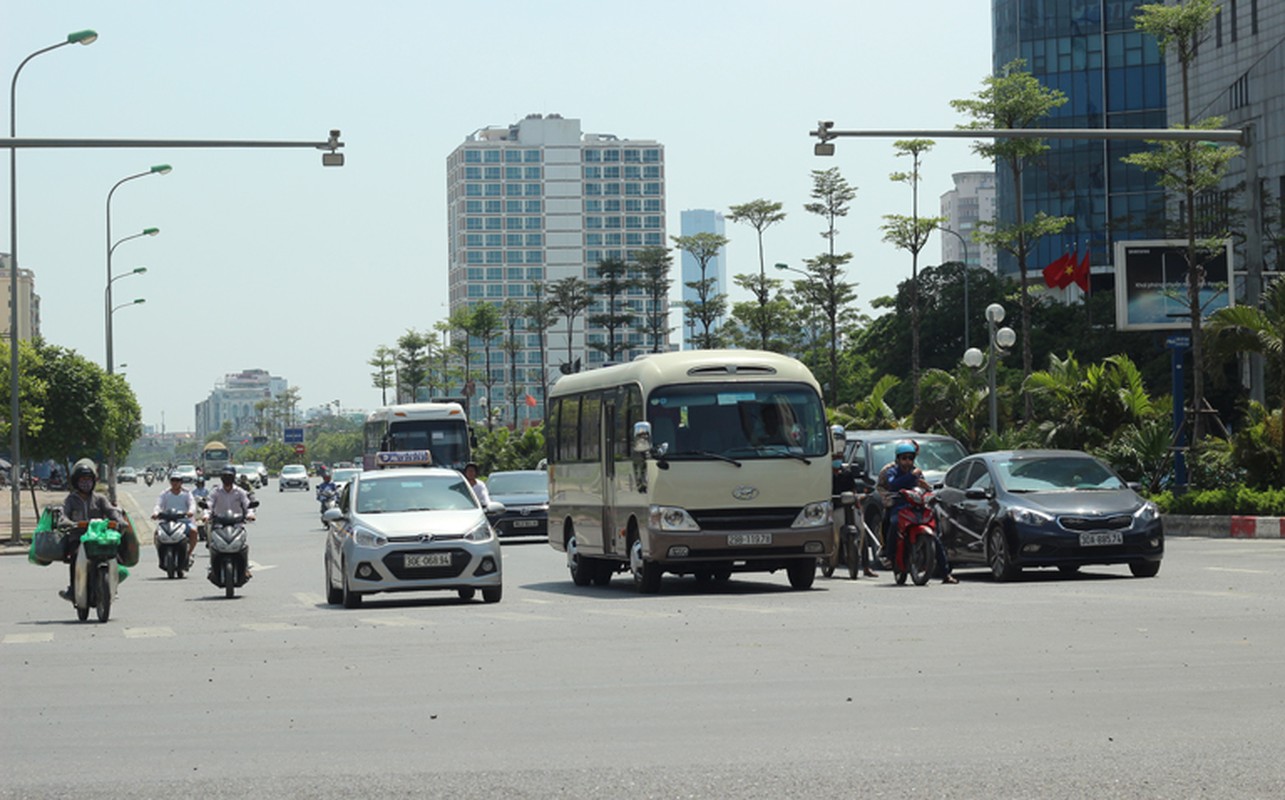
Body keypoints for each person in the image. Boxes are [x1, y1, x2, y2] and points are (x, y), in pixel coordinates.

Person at [881, 441, 957, 584]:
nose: (907, 462)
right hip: (900, 507)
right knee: (894, 523)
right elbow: (893, 484)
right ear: (898, 459)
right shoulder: (892, 471)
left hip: (917, 508)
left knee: (935, 535)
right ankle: (889, 556)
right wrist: (910, 477)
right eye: (904, 458)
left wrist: (928, 489)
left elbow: (924, 487)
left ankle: (946, 573)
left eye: (910, 458)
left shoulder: (918, 472)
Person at [58, 458, 130, 601]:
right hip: (78, 539)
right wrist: (67, 523)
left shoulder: (100, 499)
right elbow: (63, 516)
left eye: (89, 479)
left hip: (99, 538)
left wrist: (120, 521)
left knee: (115, 556)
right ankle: (73, 589)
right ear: (76, 482)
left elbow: (112, 512)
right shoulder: (71, 500)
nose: (86, 483)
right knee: (74, 558)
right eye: (82, 480)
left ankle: (112, 584)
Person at [832, 451, 877, 578]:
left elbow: (853, 490)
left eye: (839, 457)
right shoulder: (825, 474)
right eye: (834, 458)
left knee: (862, 530)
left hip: (849, 507)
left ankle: (866, 566)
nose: (837, 460)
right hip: (833, 508)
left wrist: (858, 504)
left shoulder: (847, 473)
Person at [207, 465, 256, 579]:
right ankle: (212, 568)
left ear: (234, 477)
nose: (227, 478)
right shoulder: (216, 491)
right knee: (213, 545)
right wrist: (206, 514)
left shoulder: (240, 492)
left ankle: (245, 568)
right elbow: (209, 504)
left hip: (237, 525)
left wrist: (250, 514)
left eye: (229, 476)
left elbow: (247, 505)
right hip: (219, 525)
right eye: (225, 476)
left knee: (243, 545)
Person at [152, 470, 197, 568]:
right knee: (156, 534)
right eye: (173, 480)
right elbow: (158, 505)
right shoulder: (165, 493)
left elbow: (192, 504)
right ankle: (161, 555)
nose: (175, 483)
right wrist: (156, 513)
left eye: (177, 480)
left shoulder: (187, 493)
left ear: (181, 482)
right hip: (167, 521)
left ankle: (189, 554)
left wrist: (190, 512)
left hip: (183, 521)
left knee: (193, 531)